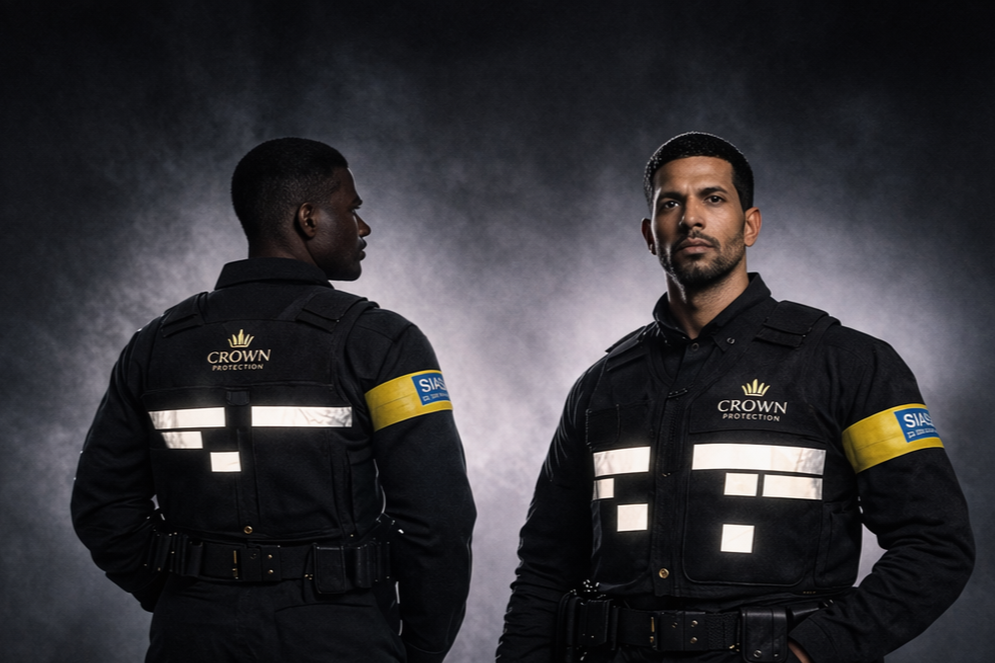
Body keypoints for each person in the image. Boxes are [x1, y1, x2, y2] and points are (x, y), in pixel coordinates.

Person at [496, 132, 973, 663]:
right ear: (650, 234)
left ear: (750, 225)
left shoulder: (848, 363)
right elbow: (545, 568)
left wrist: (809, 651)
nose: (691, 218)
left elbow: (935, 545)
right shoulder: (601, 384)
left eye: (713, 198)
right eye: (670, 203)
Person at [72, 137, 476, 663]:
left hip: (192, 637)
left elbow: (102, 506)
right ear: (308, 218)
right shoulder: (382, 342)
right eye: (351, 209)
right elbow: (438, 518)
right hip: (340, 636)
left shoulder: (156, 344)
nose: (363, 227)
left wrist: (183, 591)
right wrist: (420, 647)